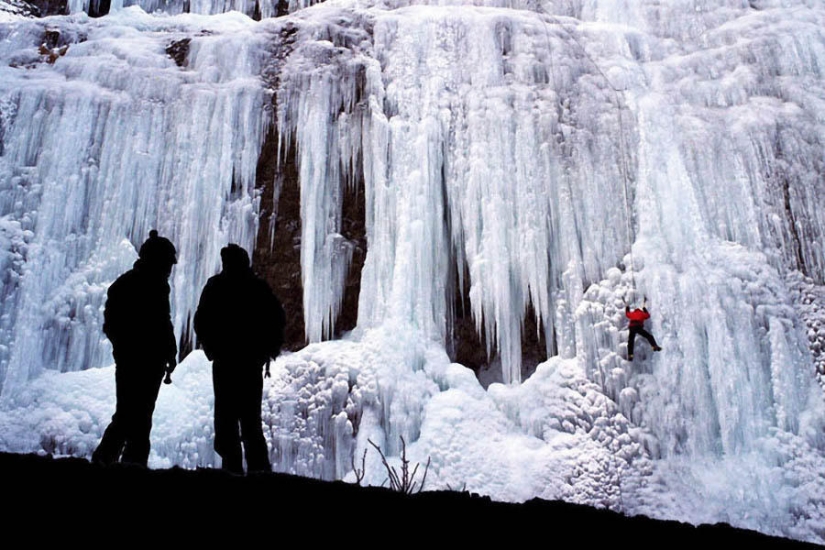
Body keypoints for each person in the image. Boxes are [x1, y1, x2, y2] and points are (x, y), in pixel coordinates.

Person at [194, 244, 285, 475]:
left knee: (229, 420)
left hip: (227, 363)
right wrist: (267, 352)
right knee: (249, 421)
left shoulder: (216, 286)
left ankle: (233, 470)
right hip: (248, 364)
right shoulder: (257, 287)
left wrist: (212, 349)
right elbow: (277, 320)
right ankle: (258, 471)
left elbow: (201, 321)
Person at [92, 230, 178, 466]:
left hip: (147, 361)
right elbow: (116, 323)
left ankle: (122, 462)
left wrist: (169, 353)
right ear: (156, 261)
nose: (169, 270)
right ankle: (112, 461)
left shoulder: (149, 285)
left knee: (137, 416)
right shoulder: (133, 284)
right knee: (131, 415)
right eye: (167, 264)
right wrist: (128, 349)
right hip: (138, 361)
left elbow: (163, 322)